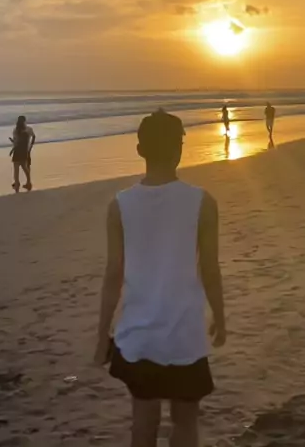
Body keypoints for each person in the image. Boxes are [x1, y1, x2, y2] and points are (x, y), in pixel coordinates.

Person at [94, 108, 226, 447]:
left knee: (143, 422)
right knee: (185, 422)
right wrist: (220, 317)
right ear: (180, 149)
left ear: (140, 149)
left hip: (140, 335)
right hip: (185, 334)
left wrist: (102, 335)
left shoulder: (120, 205)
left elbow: (113, 276)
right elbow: (210, 269)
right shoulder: (202, 202)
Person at [10, 115, 35, 192]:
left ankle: (17, 183)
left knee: (16, 168)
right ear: (24, 121)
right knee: (25, 167)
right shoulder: (29, 129)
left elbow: (16, 142)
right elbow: (34, 136)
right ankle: (28, 182)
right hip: (25, 150)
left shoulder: (16, 130)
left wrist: (12, 146)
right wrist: (31, 146)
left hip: (17, 150)